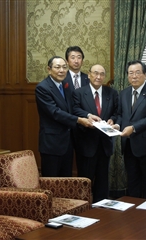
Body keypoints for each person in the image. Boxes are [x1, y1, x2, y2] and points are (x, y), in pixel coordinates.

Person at [114, 60, 146, 199]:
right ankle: (133, 217)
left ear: (145, 75)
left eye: (137, 72)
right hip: (129, 146)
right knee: (132, 183)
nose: (134, 76)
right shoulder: (123, 93)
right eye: (130, 73)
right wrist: (117, 125)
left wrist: (133, 128)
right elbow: (120, 114)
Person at [35, 56, 91, 177]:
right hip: (52, 144)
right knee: (52, 181)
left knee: (66, 182)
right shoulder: (42, 88)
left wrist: (88, 115)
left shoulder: (66, 86)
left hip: (67, 142)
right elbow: (55, 112)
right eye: (57, 67)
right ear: (49, 69)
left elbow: (73, 108)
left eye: (64, 67)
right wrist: (79, 120)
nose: (61, 70)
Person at [73, 64, 118, 203]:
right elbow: (74, 110)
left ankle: (101, 209)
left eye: (102, 74)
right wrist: (87, 115)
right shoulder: (79, 93)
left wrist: (113, 120)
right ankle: (84, 208)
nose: (99, 77)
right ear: (89, 75)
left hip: (105, 144)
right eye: (95, 73)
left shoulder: (112, 93)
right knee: (85, 181)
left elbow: (118, 113)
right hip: (86, 143)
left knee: (103, 181)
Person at [63, 46, 90, 174]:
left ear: (82, 60)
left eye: (79, 57)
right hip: (66, 127)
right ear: (67, 61)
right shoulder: (61, 78)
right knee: (66, 165)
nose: (76, 60)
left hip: (84, 128)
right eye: (72, 57)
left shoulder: (88, 79)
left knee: (84, 165)